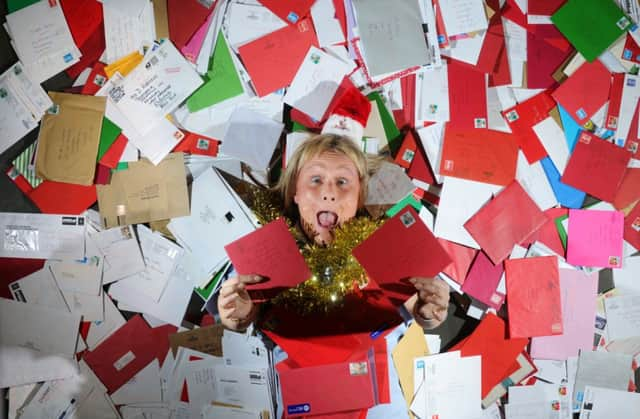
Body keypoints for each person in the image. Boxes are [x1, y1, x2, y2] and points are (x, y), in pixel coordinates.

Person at [217, 133, 450, 332]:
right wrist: (236, 314)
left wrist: (428, 312)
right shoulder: (265, 243)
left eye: (342, 181)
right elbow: (244, 312)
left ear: (359, 198)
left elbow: (419, 307)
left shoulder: (383, 243)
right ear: (295, 193)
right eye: (316, 179)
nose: (329, 193)